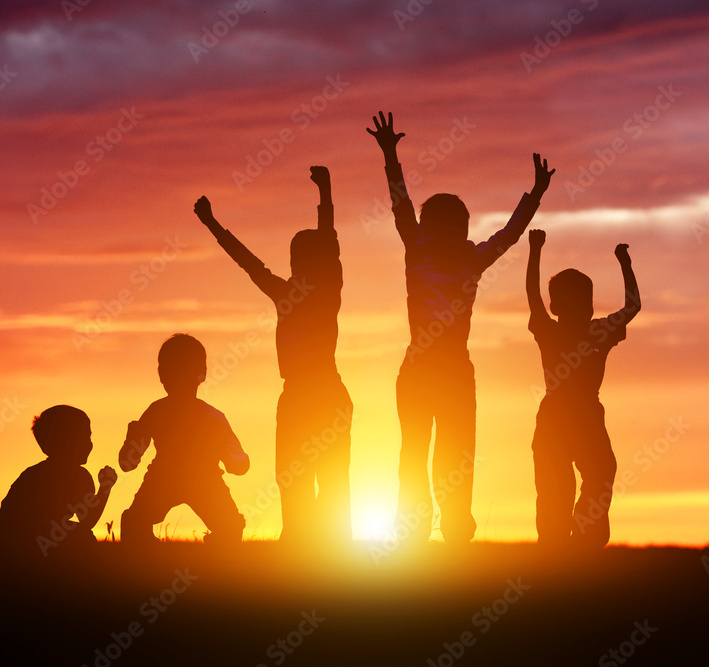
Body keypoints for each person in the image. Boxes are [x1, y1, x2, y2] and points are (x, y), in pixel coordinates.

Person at [366, 110, 553, 543]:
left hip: (429, 368)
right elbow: (508, 232)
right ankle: (439, 526)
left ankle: (436, 527)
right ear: (460, 227)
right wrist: (536, 193)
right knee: (445, 452)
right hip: (441, 369)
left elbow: (401, 206)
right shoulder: (463, 255)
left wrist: (391, 155)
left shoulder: (426, 248)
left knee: (427, 451)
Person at [194, 166, 352, 545]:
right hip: (304, 395)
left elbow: (326, 242)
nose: (295, 264)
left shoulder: (322, 290)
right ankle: (301, 544)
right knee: (296, 476)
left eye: (300, 258)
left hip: (320, 394)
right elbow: (249, 262)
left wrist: (327, 193)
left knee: (325, 477)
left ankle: (326, 548)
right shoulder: (291, 293)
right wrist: (212, 224)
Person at [525, 229, 641, 548]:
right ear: (557, 306)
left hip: (583, 415)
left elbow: (632, 308)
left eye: (585, 299)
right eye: (575, 299)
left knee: (599, 473)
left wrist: (625, 263)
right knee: (556, 489)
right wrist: (534, 251)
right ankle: (561, 546)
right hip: (559, 418)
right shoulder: (556, 330)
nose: (583, 306)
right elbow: (632, 307)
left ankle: (583, 537)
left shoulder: (594, 331)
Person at [119, 334, 249, 546]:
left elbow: (240, 463)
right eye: (173, 372)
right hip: (166, 479)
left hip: (202, 480)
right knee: (134, 522)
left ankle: (213, 557)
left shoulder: (210, 417)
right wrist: (132, 438)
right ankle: (146, 561)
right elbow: (127, 462)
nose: (178, 379)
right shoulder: (160, 412)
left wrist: (229, 456)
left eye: (182, 372)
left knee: (230, 527)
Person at [0, 404, 117, 556]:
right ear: (68, 441)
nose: (90, 443)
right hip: (34, 540)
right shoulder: (78, 476)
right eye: (85, 436)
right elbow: (88, 521)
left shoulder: (32, 473)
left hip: (10, 540)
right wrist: (105, 487)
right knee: (84, 537)